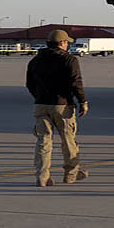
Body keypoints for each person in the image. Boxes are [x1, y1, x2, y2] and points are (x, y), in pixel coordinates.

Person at [25, 29, 88, 187]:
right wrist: (82, 102)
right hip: (62, 105)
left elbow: (29, 84)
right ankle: (71, 174)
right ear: (62, 43)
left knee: (43, 141)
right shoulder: (69, 59)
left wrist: (39, 97)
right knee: (68, 141)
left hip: (41, 105)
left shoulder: (35, 60)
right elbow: (76, 82)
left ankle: (42, 176)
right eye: (67, 42)